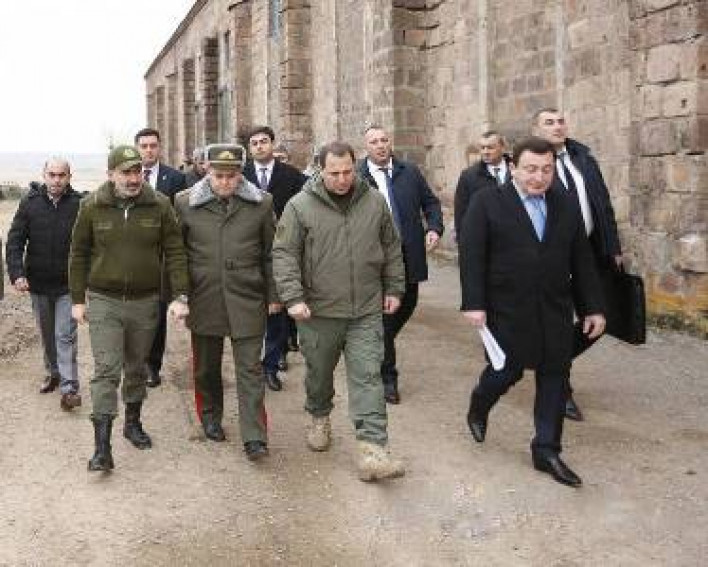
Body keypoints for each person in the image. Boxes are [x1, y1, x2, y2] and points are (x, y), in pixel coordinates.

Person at [459, 137, 605, 487]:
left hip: (554, 306)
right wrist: (474, 303)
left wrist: (592, 308)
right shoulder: (487, 202)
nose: (539, 177)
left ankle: (546, 450)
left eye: (546, 170)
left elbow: (581, 258)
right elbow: (472, 255)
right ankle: (480, 403)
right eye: (531, 169)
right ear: (513, 168)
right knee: (506, 370)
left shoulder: (565, 203)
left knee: (555, 373)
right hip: (506, 307)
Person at [273, 141, 407, 482]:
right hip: (318, 312)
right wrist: (293, 298)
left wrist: (394, 288)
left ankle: (372, 449)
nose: (343, 179)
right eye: (334, 173)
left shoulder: (374, 201)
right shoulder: (299, 206)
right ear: (321, 170)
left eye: (348, 171)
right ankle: (319, 416)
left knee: (368, 376)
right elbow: (285, 254)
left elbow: (391, 247)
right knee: (319, 375)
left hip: (365, 309)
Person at [69, 145, 189, 472]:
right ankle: (102, 448)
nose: (134, 178)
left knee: (136, 367)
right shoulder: (91, 206)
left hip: (145, 301)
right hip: (104, 301)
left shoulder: (159, 205)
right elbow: (78, 253)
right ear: (111, 174)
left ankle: (133, 423)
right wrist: (78, 299)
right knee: (107, 370)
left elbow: (175, 251)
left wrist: (180, 296)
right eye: (126, 173)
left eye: (137, 171)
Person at [175, 143, 277, 460]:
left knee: (251, 370)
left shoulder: (261, 203)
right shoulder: (185, 203)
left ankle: (255, 436)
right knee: (206, 367)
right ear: (206, 171)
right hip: (204, 296)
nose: (224, 182)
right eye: (218, 175)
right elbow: (177, 255)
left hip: (248, 296)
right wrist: (180, 295)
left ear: (240, 174)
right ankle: (210, 417)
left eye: (231, 176)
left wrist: (274, 295)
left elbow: (271, 253)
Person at [531, 108, 623, 421]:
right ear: (536, 130)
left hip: (590, 252)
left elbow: (603, 204)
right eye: (549, 123)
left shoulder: (583, 158)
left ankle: (550, 361)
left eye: (561, 121)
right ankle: (560, 388)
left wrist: (613, 246)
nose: (557, 127)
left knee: (600, 317)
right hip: (553, 256)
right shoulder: (533, 164)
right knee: (557, 323)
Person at [358, 125, 444, 404]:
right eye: (374, 141)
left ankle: (371, 345)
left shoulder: (410, 172)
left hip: (410, 253)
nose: (381, 145)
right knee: (386, 317)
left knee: (408, 304)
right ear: (366, 147)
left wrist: (434, 228)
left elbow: (431, 203)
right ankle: (388, 379)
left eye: (384, 140)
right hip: (377, 259)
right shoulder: (358, 176)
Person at [6, 158, 83, 409]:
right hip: (37, 284)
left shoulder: (79, 205)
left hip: (67, 285)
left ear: (69, 177)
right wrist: (17, 273)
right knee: (48, 335)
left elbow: (88, 245)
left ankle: (69, 388)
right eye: (52, 174)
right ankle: (54, 373)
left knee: (65, 335)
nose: (57, 180)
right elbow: (15, 241)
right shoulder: (29, 204)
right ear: (44, 175)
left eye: (61, 175)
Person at [243, 126, 308, 392]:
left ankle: (271, 366)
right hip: (247, 252)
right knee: (249, 315)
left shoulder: (292, 176)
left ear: (272, 144)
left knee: (277, 310)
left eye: (264, 141)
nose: (260, 146)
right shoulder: (240, 175)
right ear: (249, 148)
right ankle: (250, 369)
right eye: (254, 143)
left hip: (282, 251)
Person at [135, 127, 188, 388]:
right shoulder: (128, 177)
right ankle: (134, 361)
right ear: (137, 149)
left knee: (156, 314)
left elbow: (182, 217)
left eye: (153, 145)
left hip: (162, 258)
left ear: (159, 147)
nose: (148, 150)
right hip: (133, 256)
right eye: (144, 146)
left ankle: (152, 366)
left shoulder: (175, 178)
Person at [454, 131, 510, 240]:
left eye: (490, 148)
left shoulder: (517, 170)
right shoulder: (469, 176)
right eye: (482, 148)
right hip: (485, 239)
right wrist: (463, 241)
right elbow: (461, 213)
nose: (485, 152)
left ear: (503, 148)